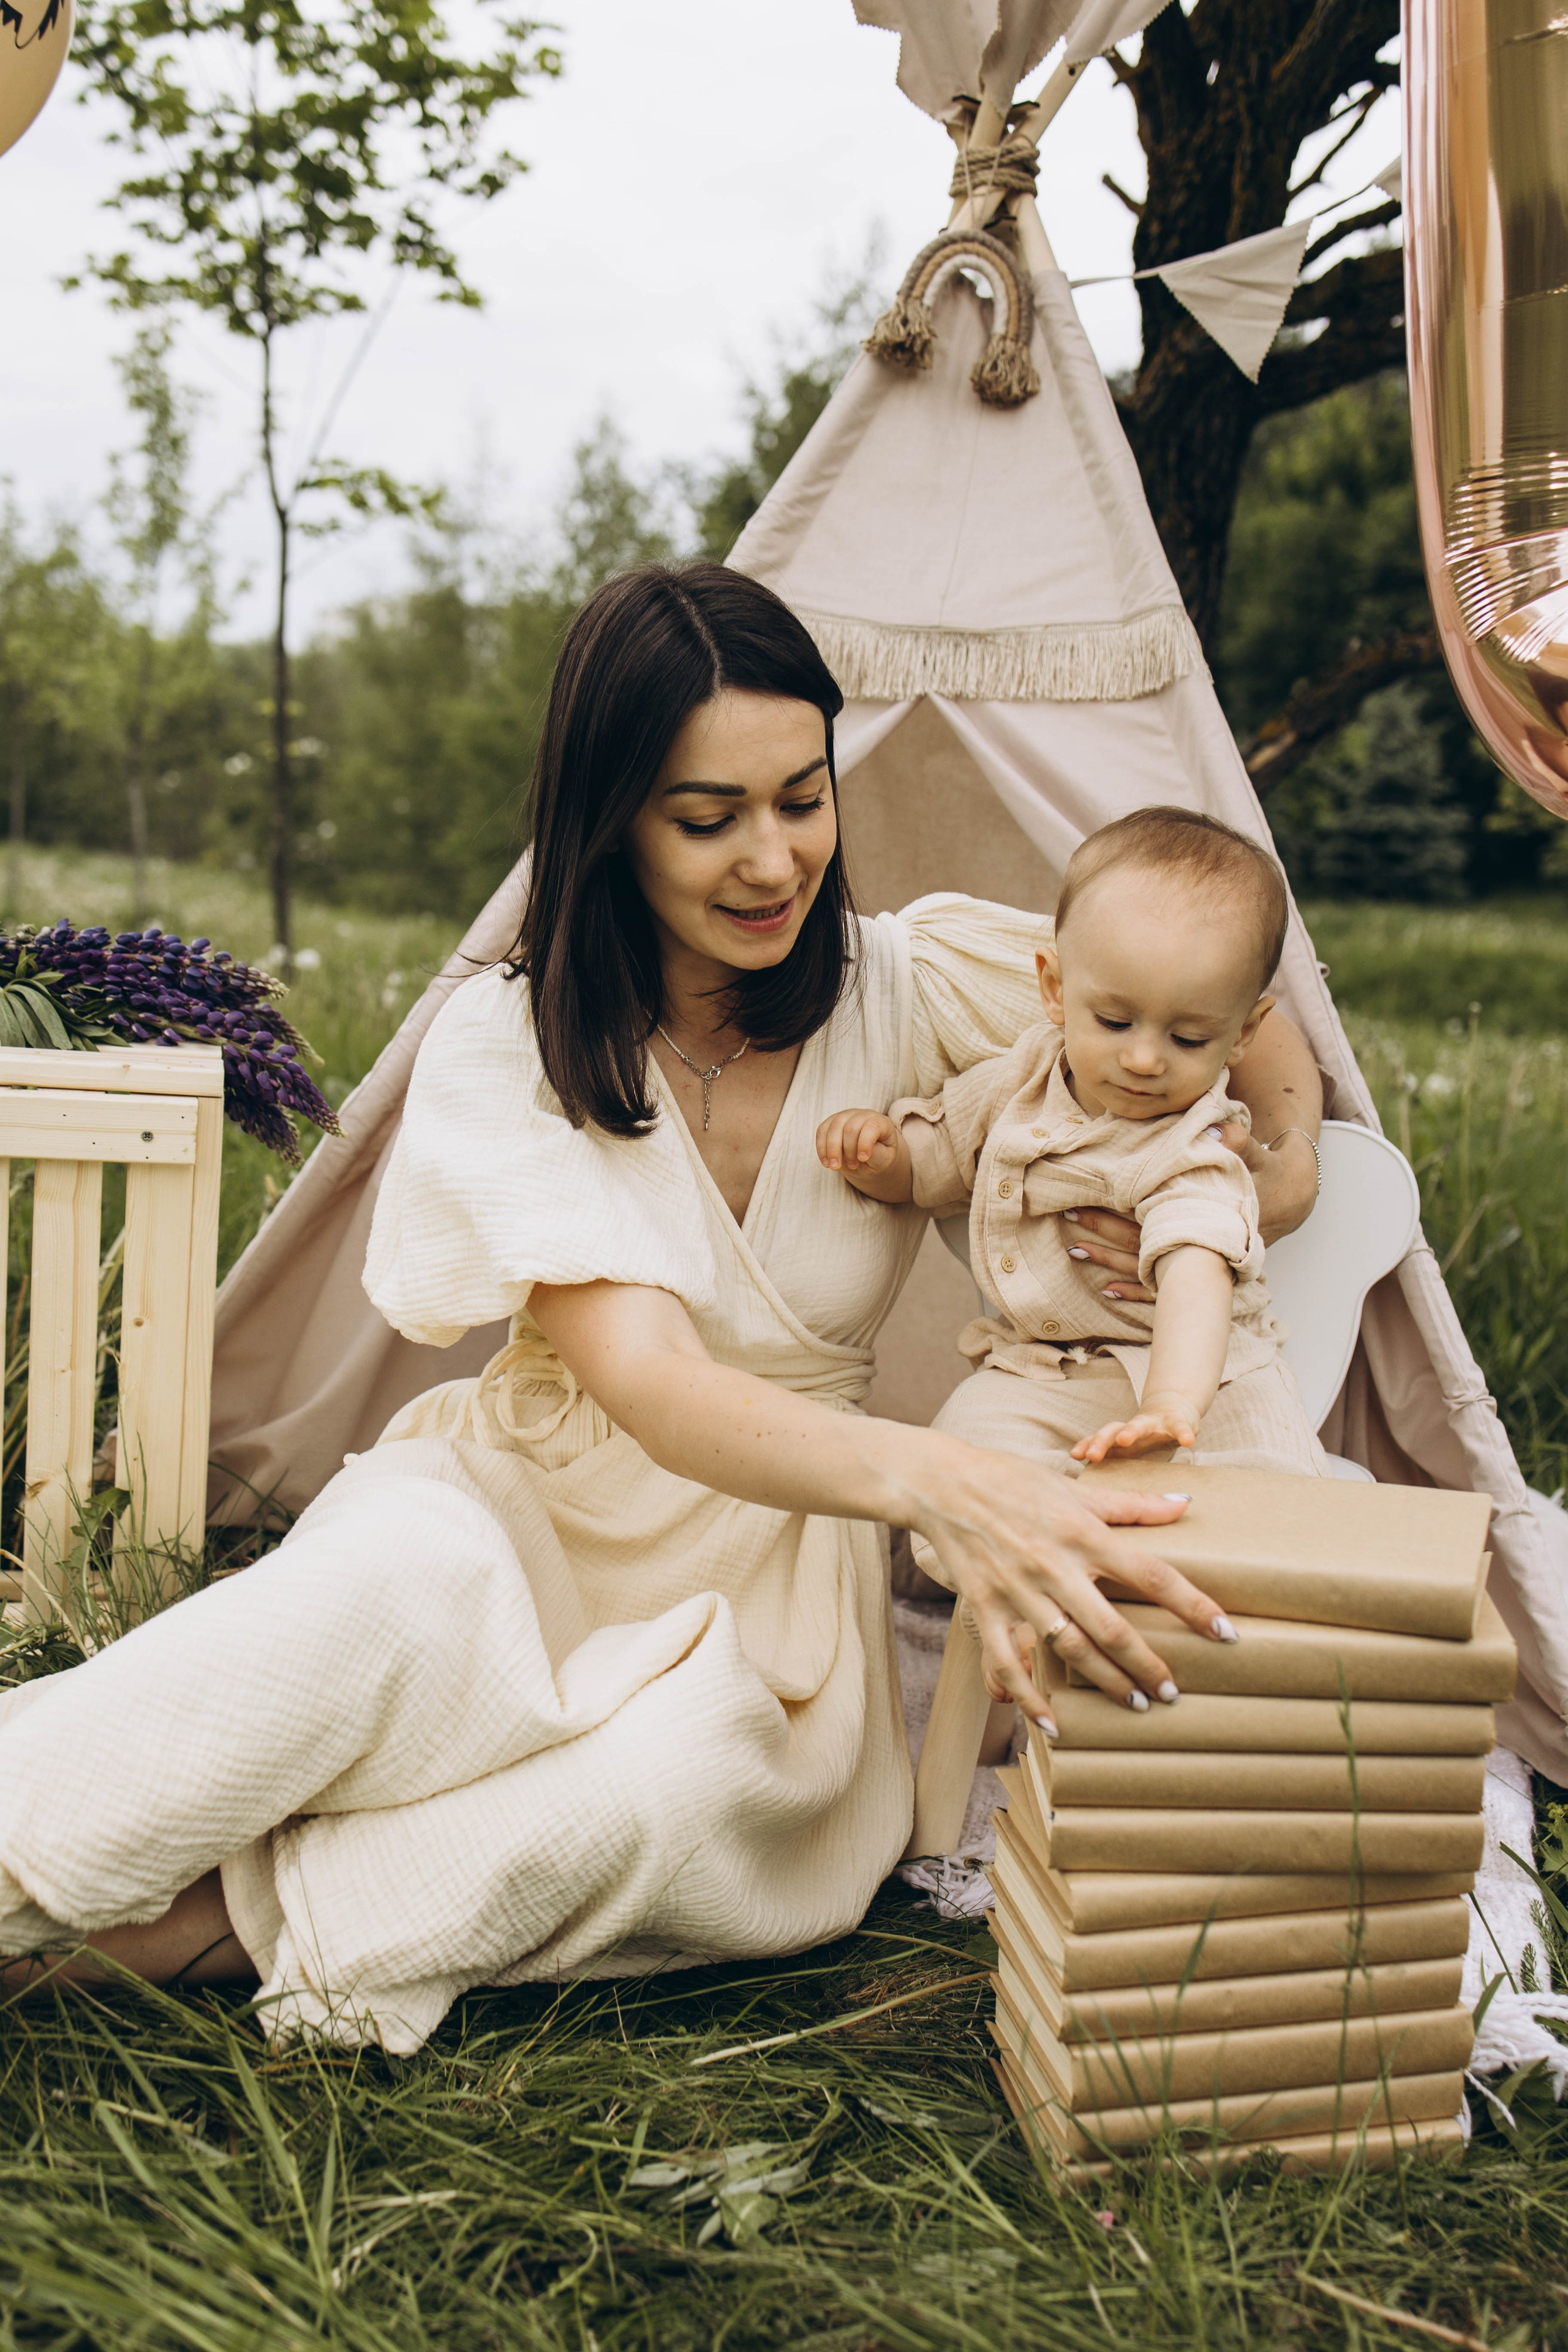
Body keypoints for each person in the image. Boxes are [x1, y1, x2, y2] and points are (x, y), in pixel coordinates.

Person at [0, 565, 1323, 2049]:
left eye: (802, 798)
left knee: (675, 1787)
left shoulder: (919, 974)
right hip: (526, 1486)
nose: (773, 860)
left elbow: (1244, 1009)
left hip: (776, 1582)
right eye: (707, 819)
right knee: (372, 1605)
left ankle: (182, 1929)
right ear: (610, 817)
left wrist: (1233, 1191)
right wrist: (953, 1484)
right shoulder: (511, 1041)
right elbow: (648, 1382)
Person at [815, 806, 1327, 1541]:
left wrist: (1171, 1406)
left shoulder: (1199, 1143)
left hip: (1207, 1374)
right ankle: (1024, 1612)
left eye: (1187, 1037)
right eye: (1115, 1023)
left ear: (1243, 1033)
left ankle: (1217, 1630)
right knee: (966, 1466)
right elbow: (938, 1158)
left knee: (1269, 1501)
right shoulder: (1019, 1081)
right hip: (1041, 1372)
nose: (1145, 1059)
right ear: (1054, 989)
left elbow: (1193, 1278)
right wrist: (884, 1156)